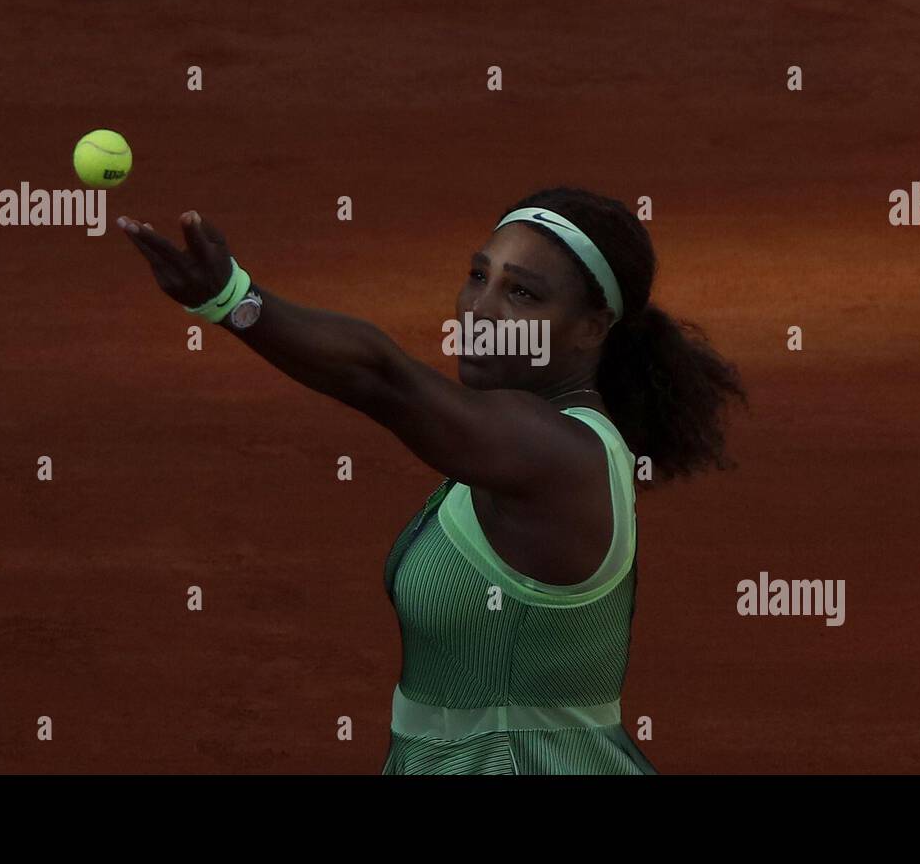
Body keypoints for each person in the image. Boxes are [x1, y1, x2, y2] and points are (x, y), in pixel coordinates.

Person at [116, 186, 746, 774]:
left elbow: (383, 379)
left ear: (591, 327)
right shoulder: (521, 439)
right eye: (478, 276)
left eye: (521, 294)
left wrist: (232, 300)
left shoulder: (555, 453)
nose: (480, 309)